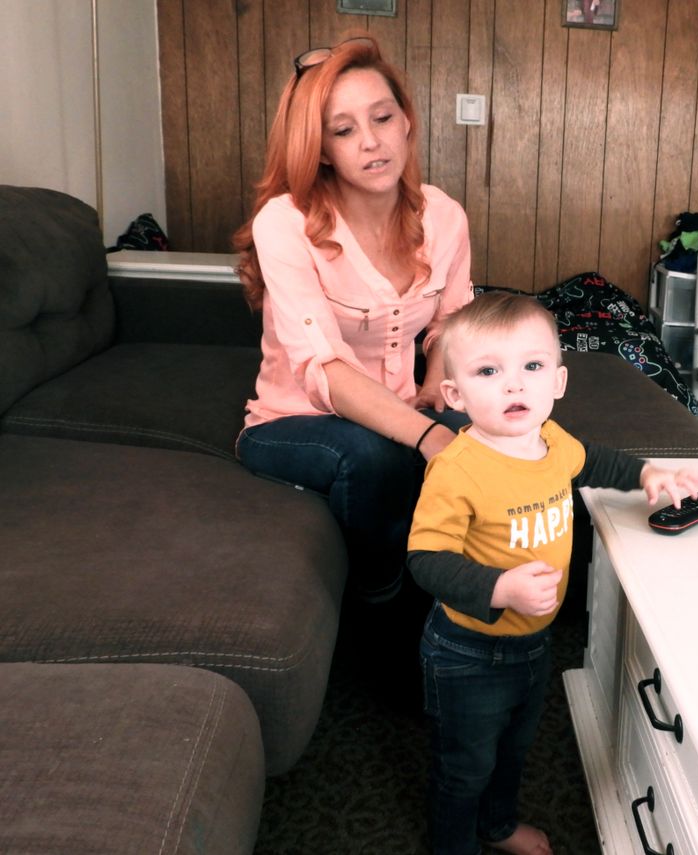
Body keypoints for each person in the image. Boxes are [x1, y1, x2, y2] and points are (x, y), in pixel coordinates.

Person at [406, 292, 698, 855]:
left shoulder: (552, 441)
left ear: (558, 383)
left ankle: (495, 825)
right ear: (455, 394)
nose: (514, 385)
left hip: (532, 647)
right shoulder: (457, 470)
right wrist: (499, 587)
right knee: (464, 766)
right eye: (489, 371)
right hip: (467, 652)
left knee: (515, 751)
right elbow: (426, 558)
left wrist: (647, 475)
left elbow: (594, 460)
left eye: (532, 367)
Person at [231, 34, 473, 611]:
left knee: (498, 435)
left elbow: (453, 319)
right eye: (343, 131)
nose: (371, 142)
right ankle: (382, 603)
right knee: (376, 456)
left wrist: (433, 393)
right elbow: (325, 369)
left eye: (382, 118)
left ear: (406, 121)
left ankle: (497, 605)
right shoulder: (284, 223)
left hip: (402, 404)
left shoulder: (443, 215)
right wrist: (425, 433)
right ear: (320, 149)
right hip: (295, 419)